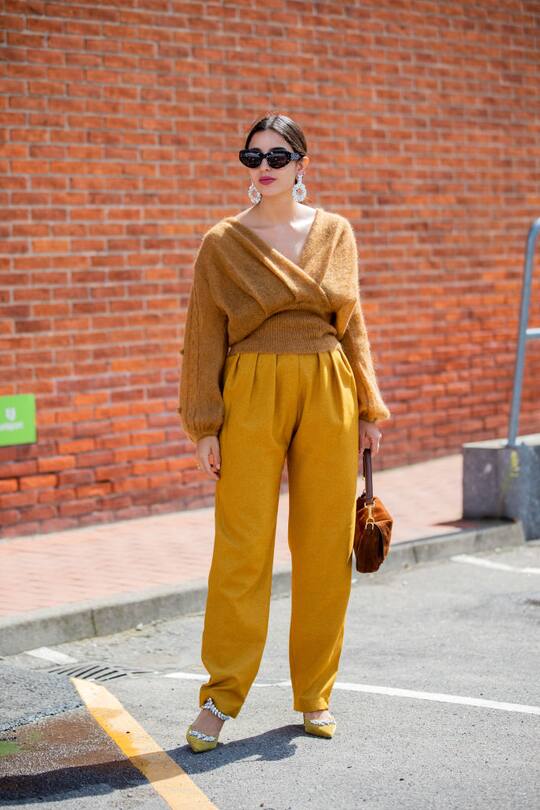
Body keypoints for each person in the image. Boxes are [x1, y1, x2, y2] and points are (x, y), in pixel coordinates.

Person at [178, 113, 391, 753]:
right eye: (252, 156)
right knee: (242, 545)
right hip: (249, 389)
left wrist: (369, 408)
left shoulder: (336, 232)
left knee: (325, 545)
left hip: (328, 386)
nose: (263, 166)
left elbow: (351, 323)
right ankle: (219, 698)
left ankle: (315, 693)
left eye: (276, 154)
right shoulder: (222, 242)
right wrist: (204, 425)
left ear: (302, 162)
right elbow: (201, 338)